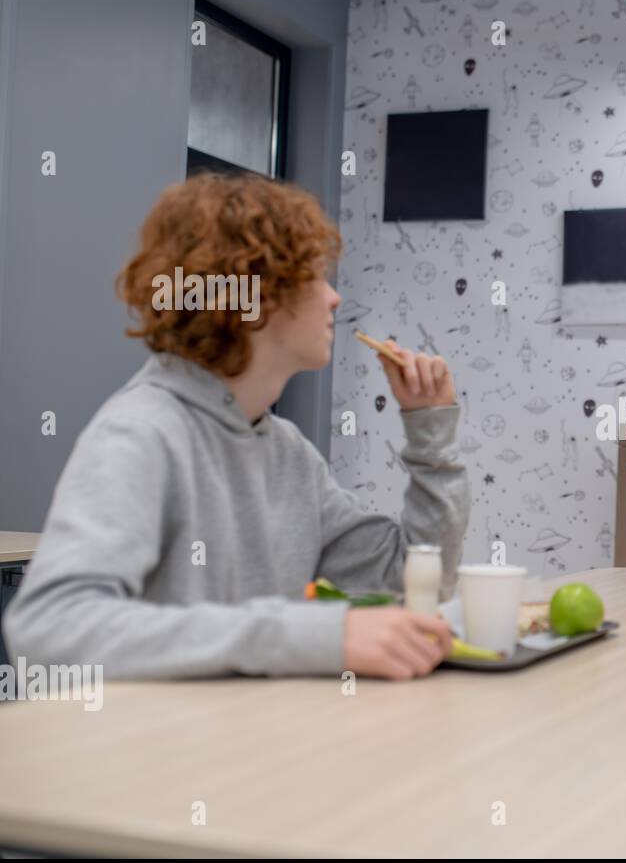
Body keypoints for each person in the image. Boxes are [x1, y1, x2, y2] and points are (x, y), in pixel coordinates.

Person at [5, 173, 469, 681]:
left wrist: (431, 435)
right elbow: (49, 629)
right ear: (259, 295)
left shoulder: (285, 449)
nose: (334, 298)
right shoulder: (141, 434)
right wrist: (305, 635)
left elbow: (416, 580)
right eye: (314, 275)